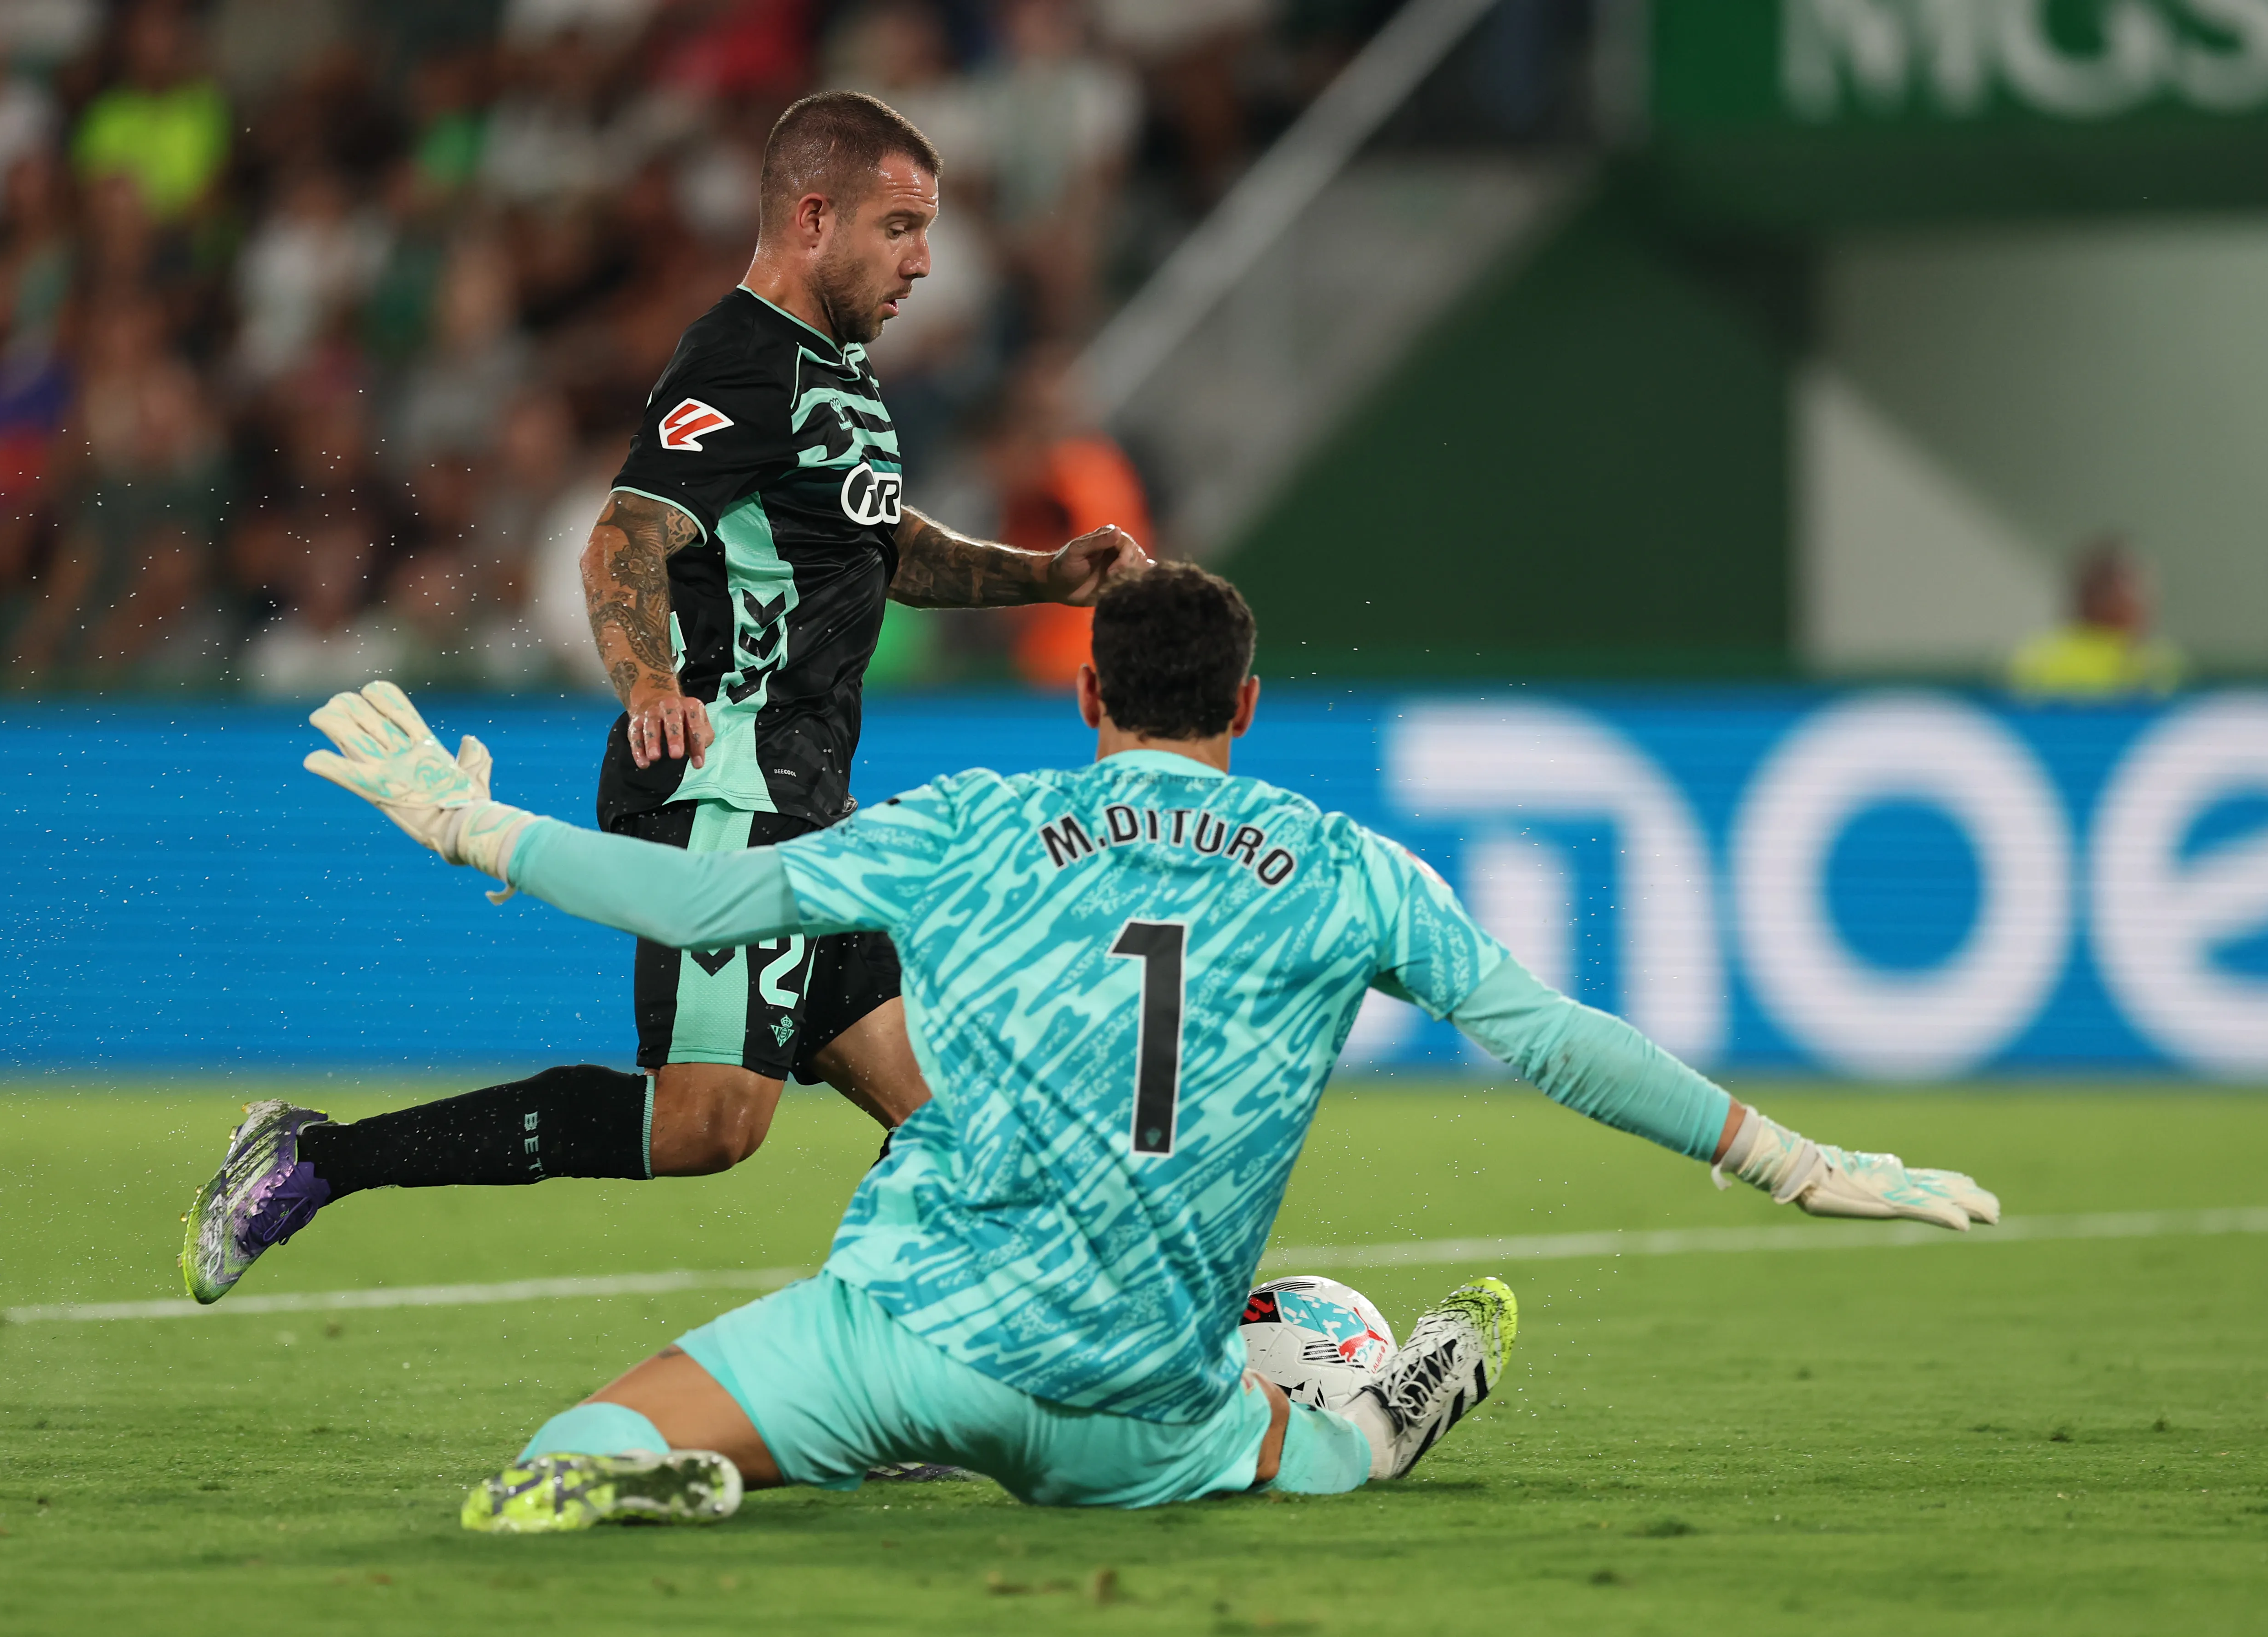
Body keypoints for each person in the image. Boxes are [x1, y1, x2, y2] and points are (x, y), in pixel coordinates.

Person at [291, 564, 2001, 1524]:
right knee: (1300, 1415)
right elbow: (1553, 1039)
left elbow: (714, 909)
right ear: (1246, 709)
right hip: (1135, 1408)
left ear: (1089, 695)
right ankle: (1382, 1403)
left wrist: (475, 827)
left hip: (904, 1339)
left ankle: (662, 1471)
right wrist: (1800, 1163)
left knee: (557, 1459)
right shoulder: (1347, 867)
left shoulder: (978, 816)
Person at [178, 90, 1148, 1305]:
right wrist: (651, 685)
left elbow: (872, 545)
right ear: (813, 216)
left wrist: (1041, 576)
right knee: (707, 1124)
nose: (924, 260)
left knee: (938, 1109)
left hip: (808, 803)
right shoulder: (741, 360)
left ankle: (937, 1367)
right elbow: (622, 541)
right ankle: (316, 1159)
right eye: (899, 228)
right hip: (728, 786)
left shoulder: (834, 373)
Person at [2007, 537, 2184, 700]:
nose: (2132, 598)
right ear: (2087, 594)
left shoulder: (2163, 663)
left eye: (2138, 588)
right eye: (2115, 588)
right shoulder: (2041, 660)